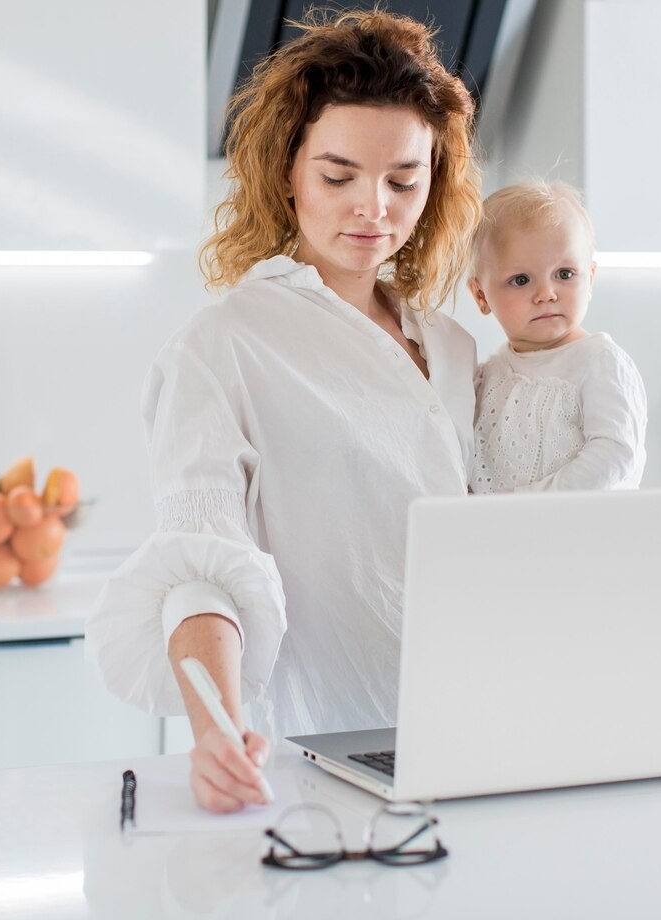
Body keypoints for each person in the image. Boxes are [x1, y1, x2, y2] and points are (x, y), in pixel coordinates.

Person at [84, 10, 482, 813]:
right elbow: (201, 562)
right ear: (287, 173)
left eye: (404, 180)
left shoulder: (451, 347)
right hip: (326, 756)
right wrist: (219, 730)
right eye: (339, 176)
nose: (374, 208)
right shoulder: (224, 346)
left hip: (475, 734)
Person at [466, 181, 647, 493]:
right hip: (504, 533)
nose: (546, 294)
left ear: (589, 279)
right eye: (520, 280)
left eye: (564, 274)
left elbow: (616, 453)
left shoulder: (599, 362)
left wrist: (534, 503)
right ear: (481, 296)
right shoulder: (490, 375)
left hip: (581, 533)